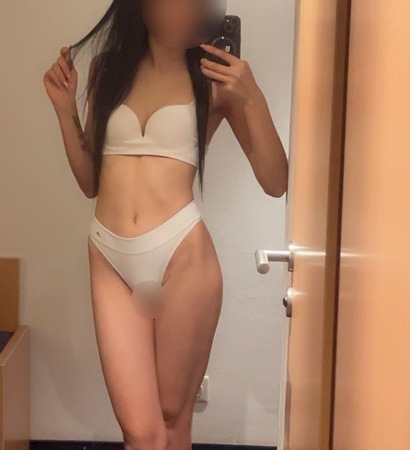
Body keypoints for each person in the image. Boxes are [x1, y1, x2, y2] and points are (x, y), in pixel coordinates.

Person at [43, 1, 288, 448]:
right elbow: (91, 182)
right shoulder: (106, 71)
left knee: (173, 418)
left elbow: (275, 181)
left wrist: (251, 96)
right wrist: (64, 110)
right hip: (109, 256)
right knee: (140, 431)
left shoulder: (216, 80)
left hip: (182, 255)